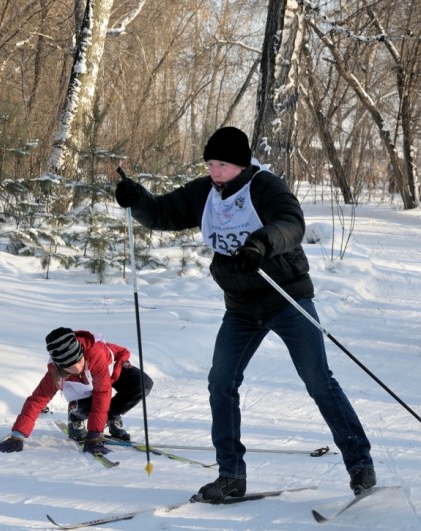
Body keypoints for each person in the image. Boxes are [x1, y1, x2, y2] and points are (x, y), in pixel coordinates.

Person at [114, 126, 375, 500]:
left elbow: (291, 224)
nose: (214, 171)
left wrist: (262, 243)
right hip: (240, 308)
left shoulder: (266, 186)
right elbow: (162, 214)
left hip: (286, 297)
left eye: (221, 164)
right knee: (221, 382)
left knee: (318, 379)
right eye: (210, 164)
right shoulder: (206, 191)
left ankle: (360, 465)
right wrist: (136, 197)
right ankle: (231, 476)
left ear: (240, 163)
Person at [0, 327, 153, 456]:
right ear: (60, 366)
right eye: (69, 366)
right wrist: (17, 436)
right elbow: (37, 399)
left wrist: (94, 434)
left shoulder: (94, 353)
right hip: (87, 385)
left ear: (82, 352)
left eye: (78, 360)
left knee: (142, 384)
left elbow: (102, 393)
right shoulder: (54, 373)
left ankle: (110, 417)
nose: (76, 367)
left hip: (109, 368)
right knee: (89, 403)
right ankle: (76, 413)